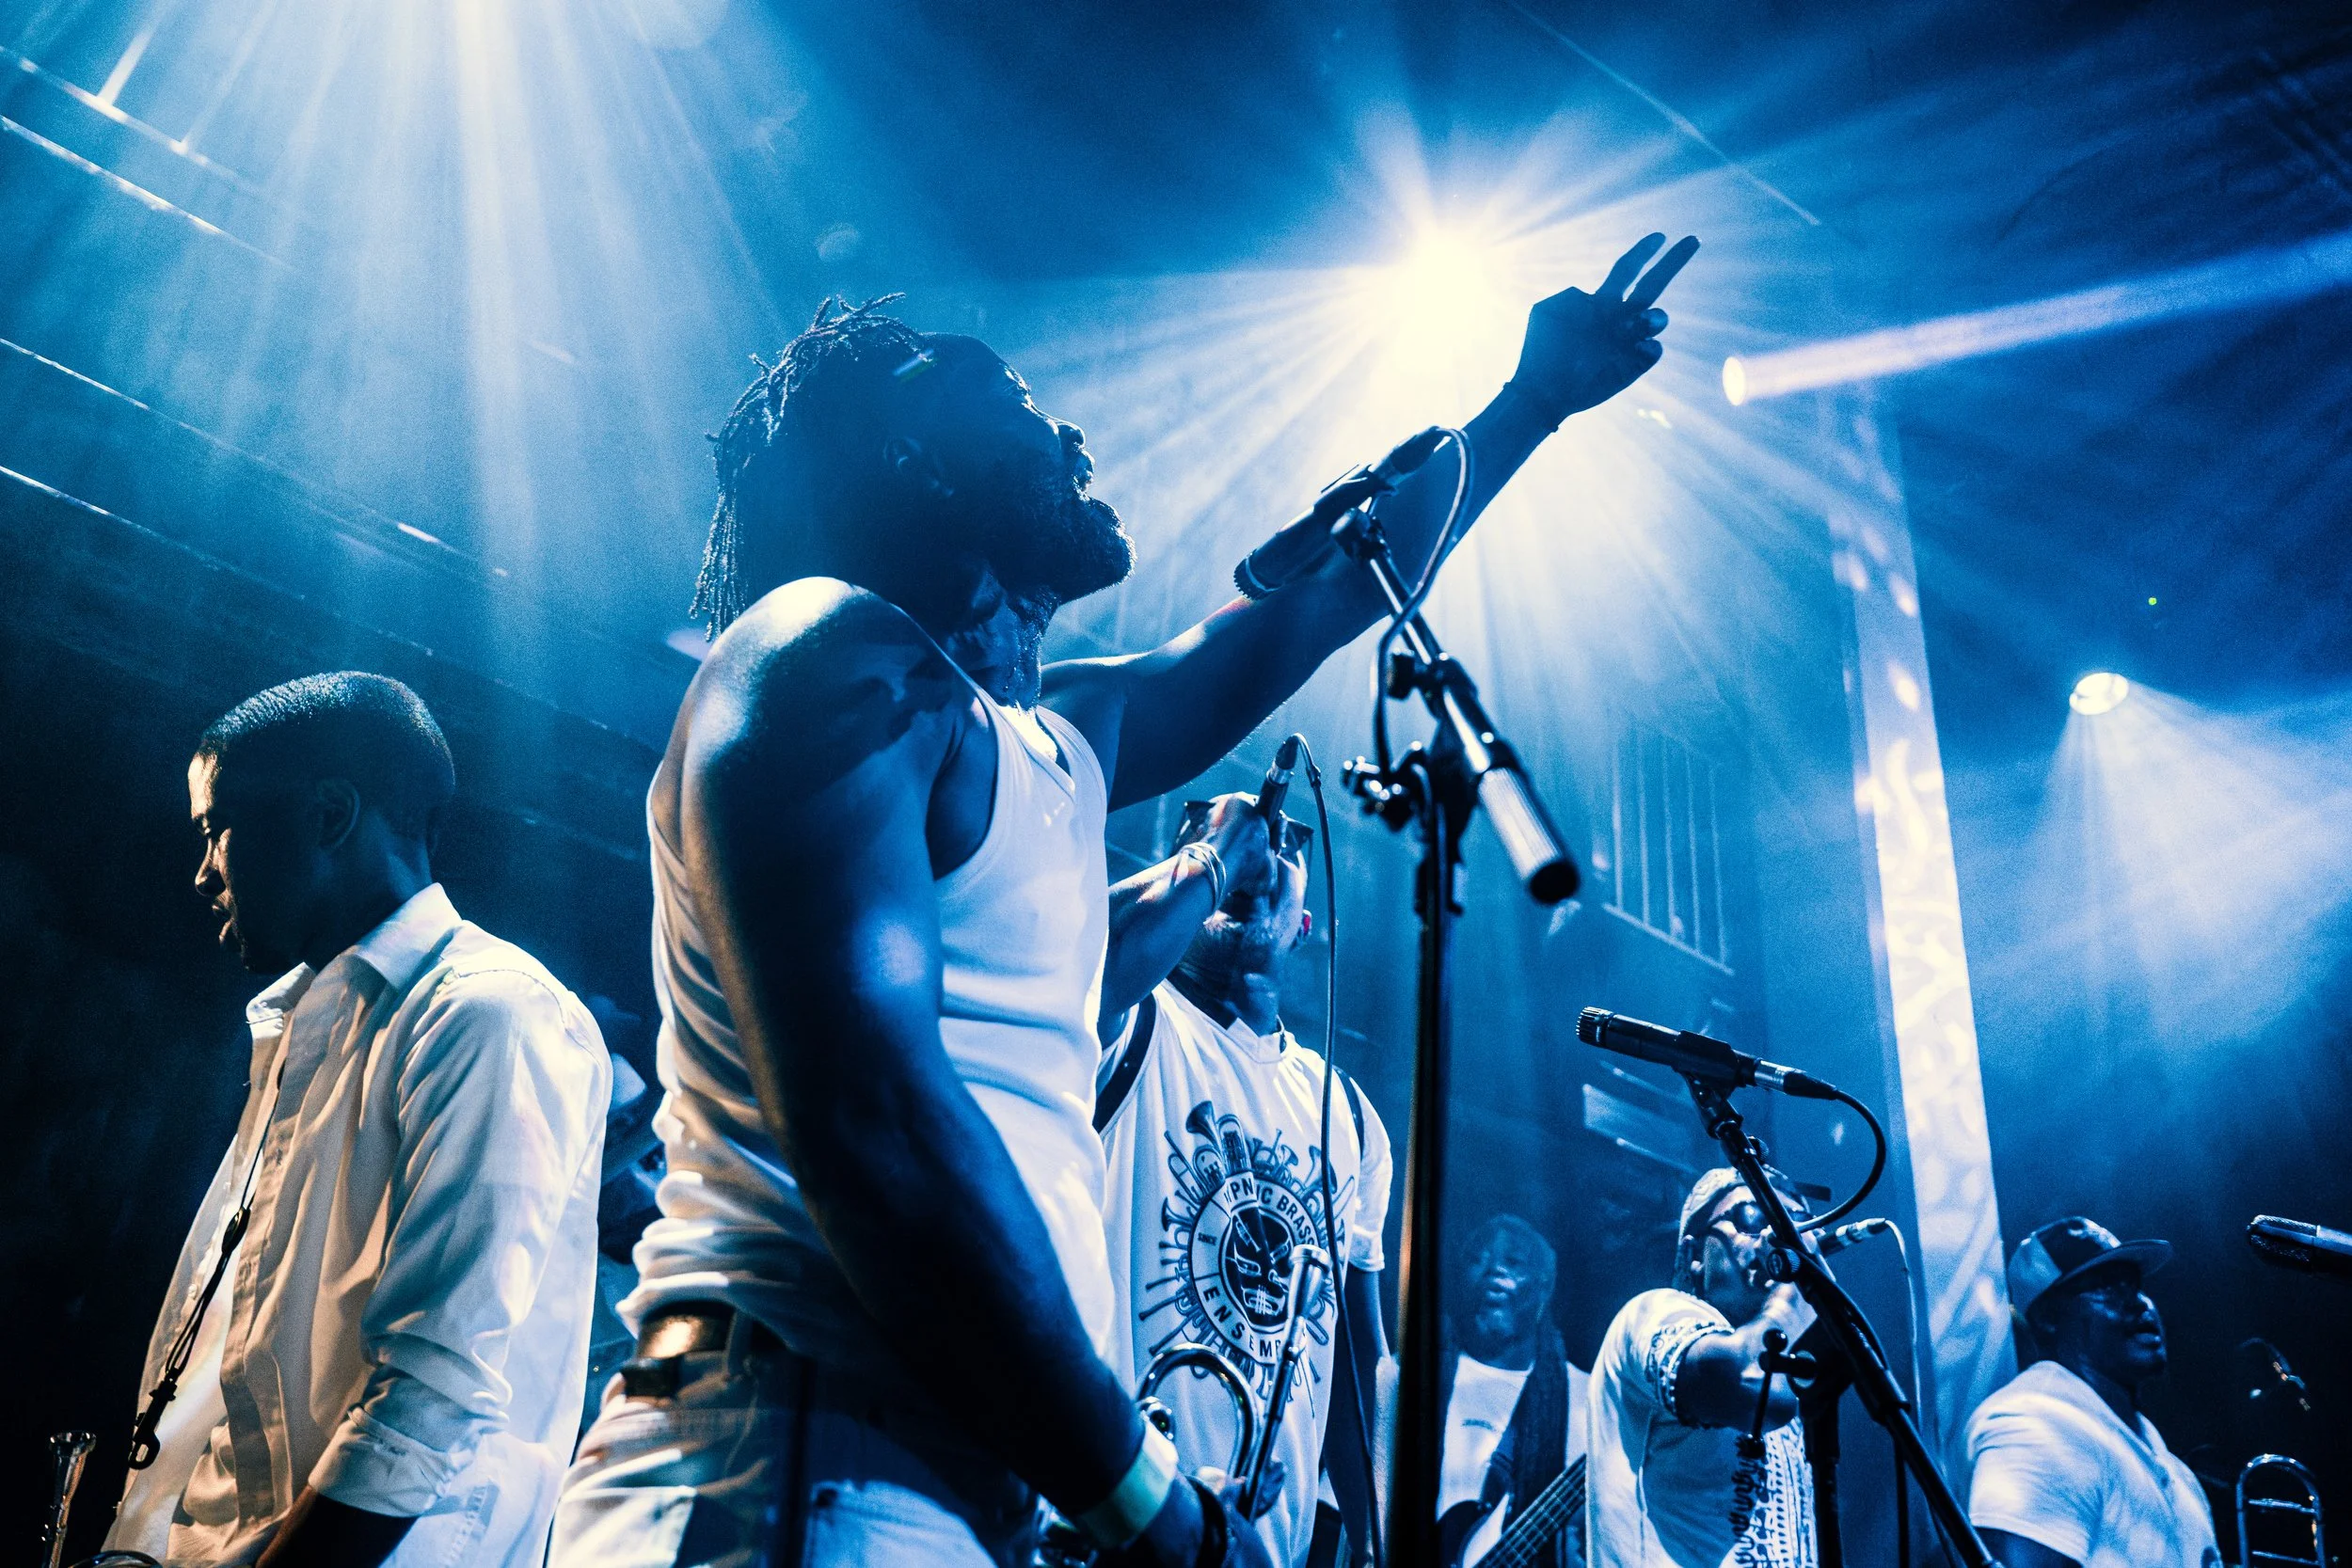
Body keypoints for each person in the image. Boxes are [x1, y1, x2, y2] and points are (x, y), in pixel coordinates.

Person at [551, 235, 1694, 1568]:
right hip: (798, 1449)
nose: (1073, 431)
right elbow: (877, 1118)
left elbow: (1319, 603)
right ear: (918, 460)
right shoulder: (823, 652)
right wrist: (1143, 1494)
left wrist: (1530, 403)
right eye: (1022, 408)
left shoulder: (1049, 730)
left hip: (950, 1471)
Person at [105, 673, 612, 1568]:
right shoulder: (311, 1024)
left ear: (331, 814)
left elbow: (432, 1394)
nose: (201, 871)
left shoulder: (489, 1012)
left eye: (215, 829)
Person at [1092, 794, 1393, 1567]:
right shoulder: (1130, 1018)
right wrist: (1213, 858)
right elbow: (1078, 957)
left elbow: (1357, 1373)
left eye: (1285, 850)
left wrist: (1375, 1531)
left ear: (1305, 925)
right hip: (1107, 1525)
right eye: (1222, 844)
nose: (1262, 857)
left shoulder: (1351, 1117)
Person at [1585, 1169, 1818, 1568]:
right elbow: (1745, 1381)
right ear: (1694, 1256)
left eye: (1794, 1225)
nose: (1779, 1239)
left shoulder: (1781, 1370)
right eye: (1750, 1218)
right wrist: (1795, 1293)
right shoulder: (1653, 1313)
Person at [1964, 1217, 2221, 1568]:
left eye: (2133, 1284)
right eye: (2107, 1287)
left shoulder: (2168, 1464)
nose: (2139, 1303)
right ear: (2048, 1318)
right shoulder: (2037, 1426)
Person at [1437, 1215, 1590, 1568]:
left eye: (1514, 1262)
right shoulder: (1408, 1376)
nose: (1493, 1271)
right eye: (1477, 1259)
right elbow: (1335, 1515)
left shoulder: (1586, 1401)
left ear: (1545, 1285)